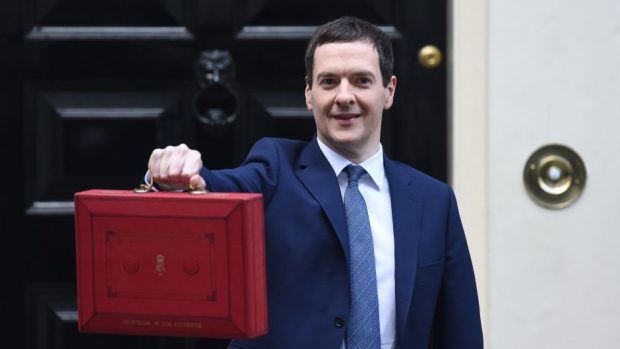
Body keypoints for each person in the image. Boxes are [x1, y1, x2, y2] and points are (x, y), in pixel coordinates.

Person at [147, 16, 482, 349]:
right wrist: (173, 174)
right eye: (329, 82)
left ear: (389, 91)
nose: (344, 96)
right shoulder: (274, 169)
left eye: (362, 81)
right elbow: (213, 190)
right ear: (309, 94)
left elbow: (460, 329)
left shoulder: (433, 200)